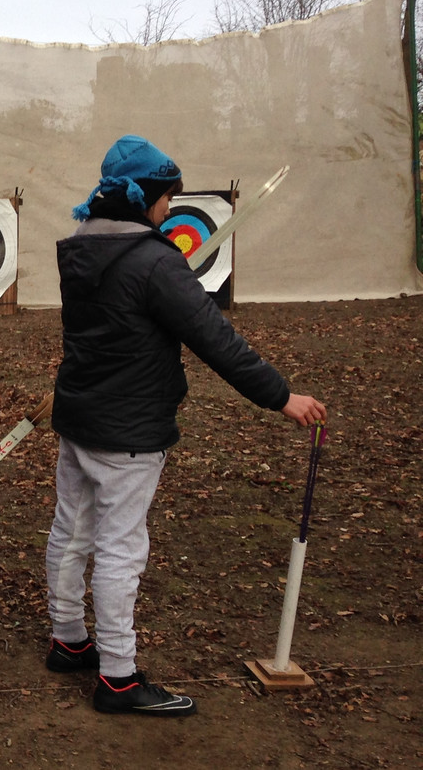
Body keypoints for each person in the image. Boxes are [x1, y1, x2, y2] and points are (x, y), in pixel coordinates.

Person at [46, 134, 326, 717]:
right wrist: (281, 397)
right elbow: (214, 338)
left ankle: (68, 640)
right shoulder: (153, 262)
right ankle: (117, 678)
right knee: (121, 550)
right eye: (164, 198)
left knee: (73, 530)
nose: (168, 209)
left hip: (81, 418)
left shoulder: (79, 245)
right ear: (141, 197)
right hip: (128, 429)